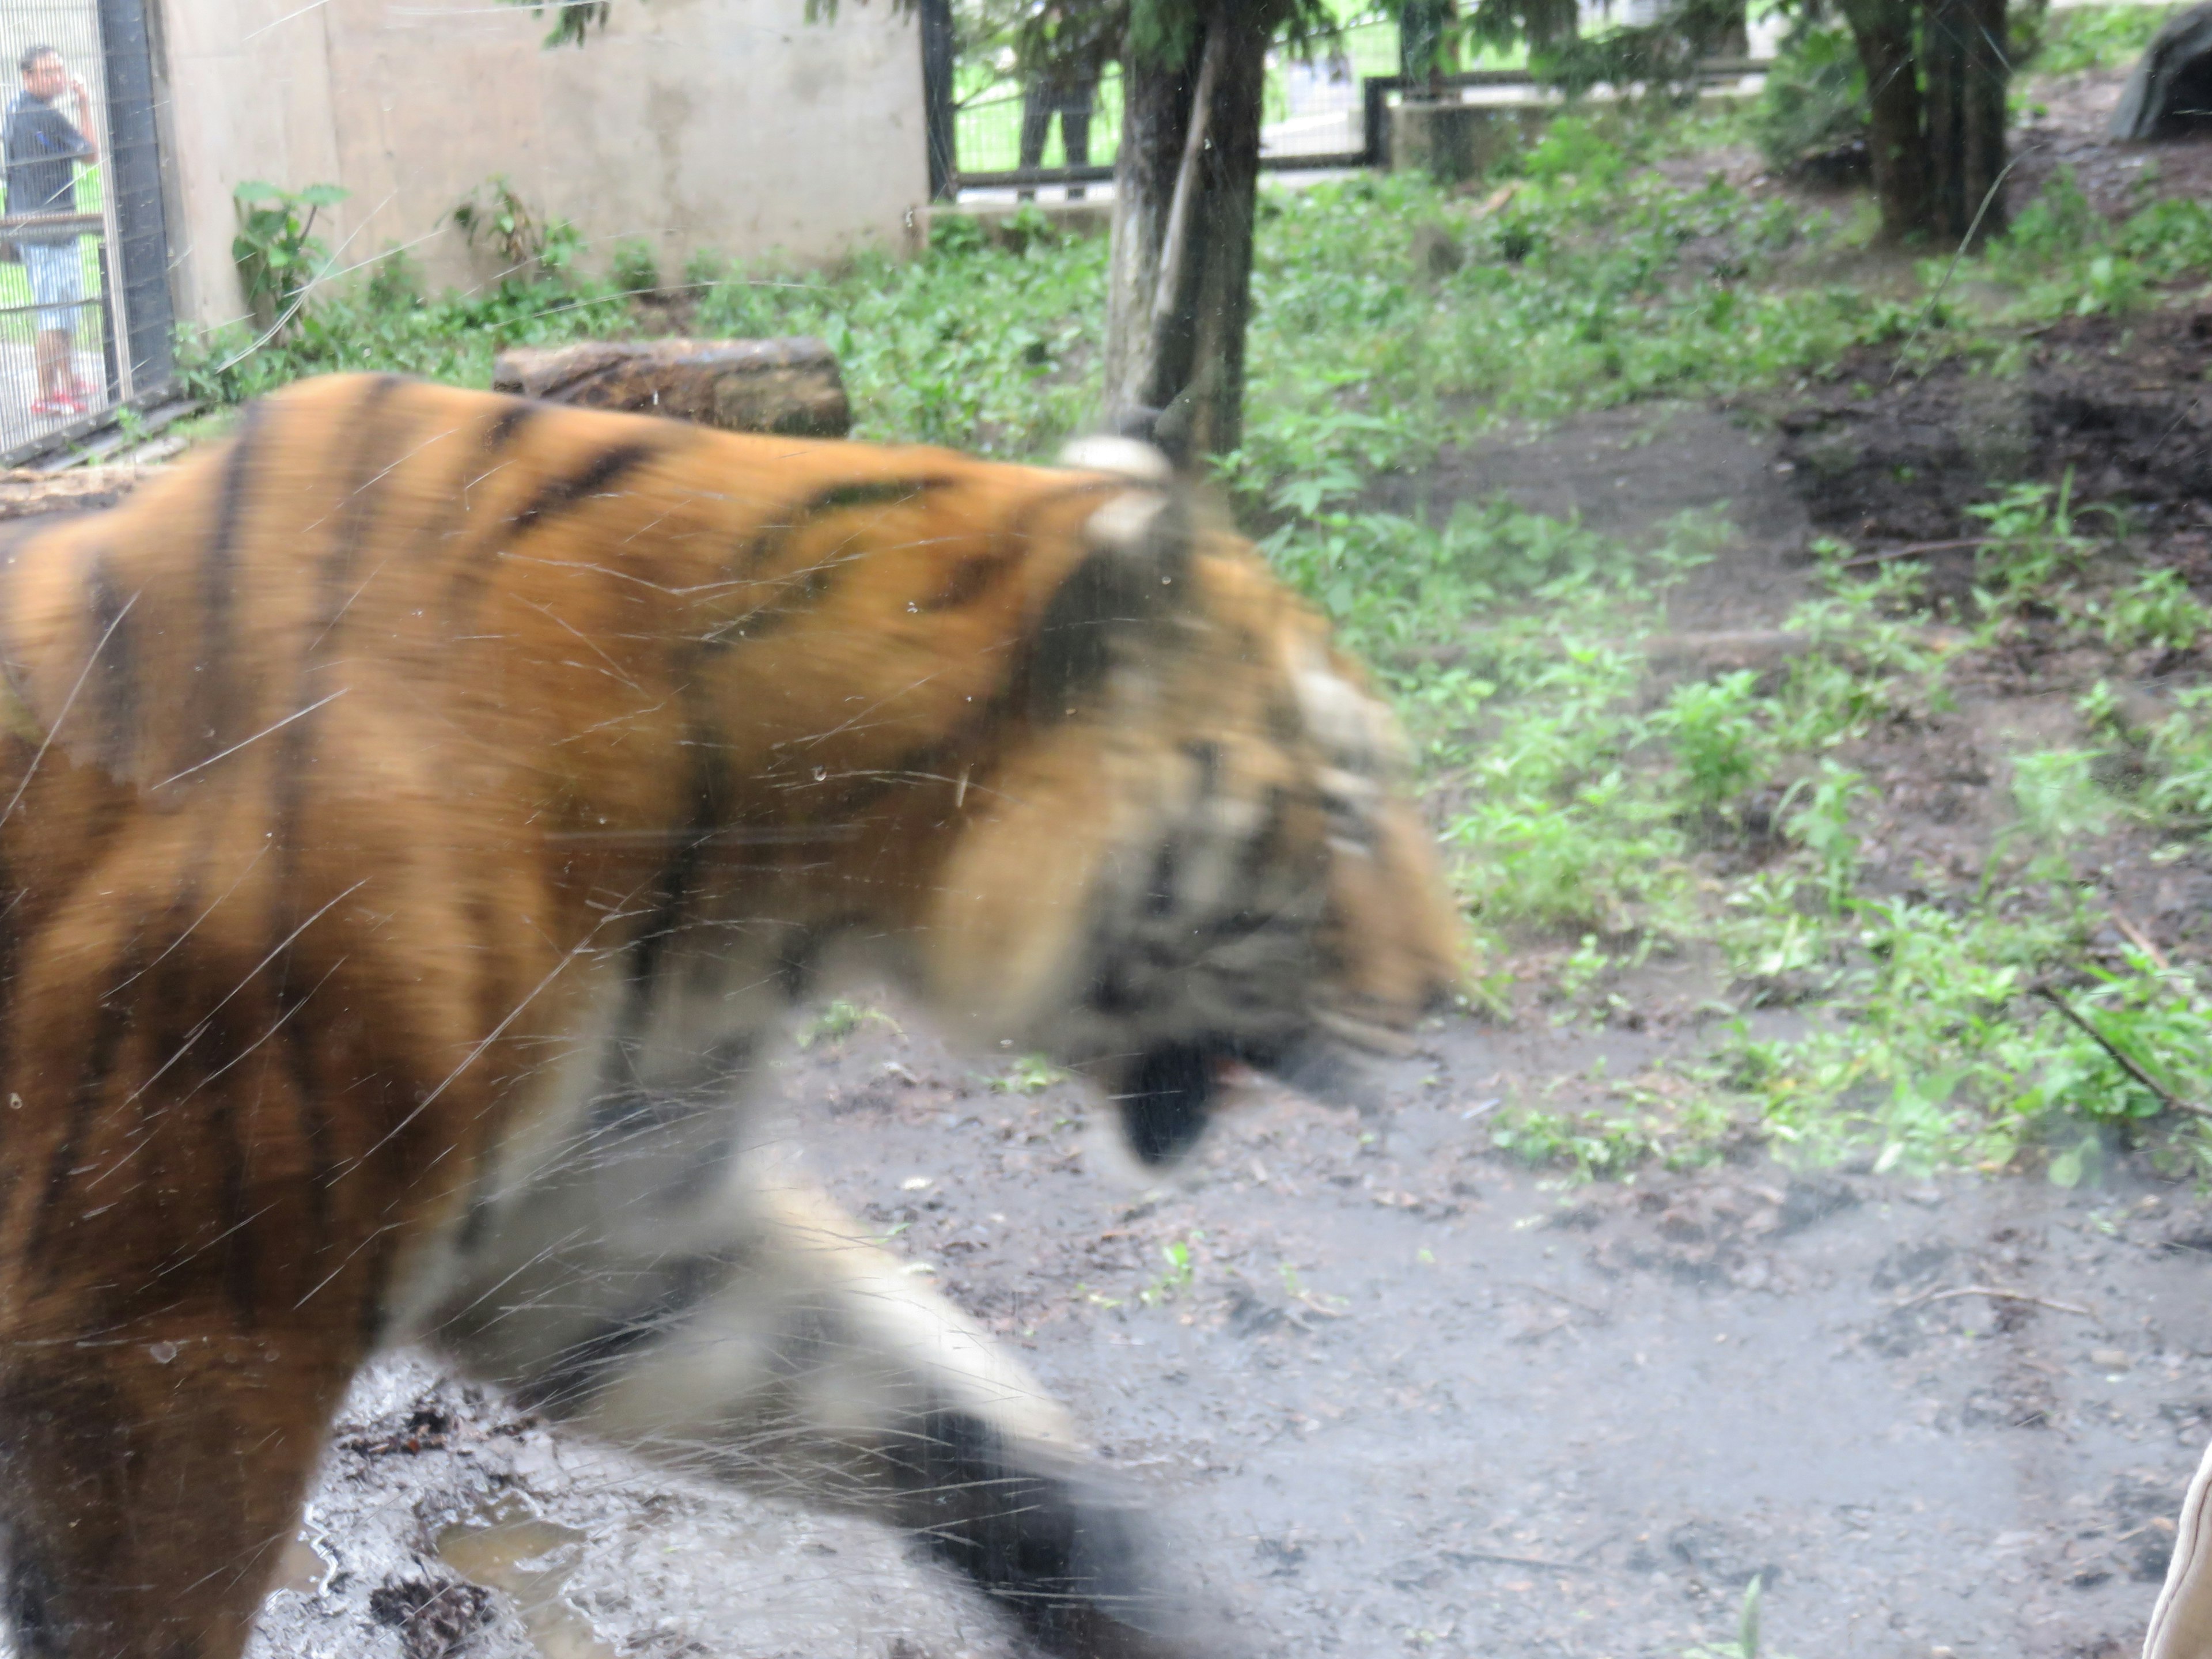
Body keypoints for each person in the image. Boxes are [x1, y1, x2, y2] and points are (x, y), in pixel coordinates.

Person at [3, 45, 96, 419]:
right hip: (47, 230)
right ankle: (45, 394)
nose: (57, 78)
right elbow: (90, 153)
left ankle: (69, 381)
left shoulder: (16, 109)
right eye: (47, 73)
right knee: (53, 317)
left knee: (64, 309)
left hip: (40, 225)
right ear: (28, 77)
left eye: (59, 70)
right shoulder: (43, 115)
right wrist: (84, 103)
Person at [1014, 1, 1123, 203]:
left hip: (1078, 81)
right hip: (1041, 82)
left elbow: (1099, 38)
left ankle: (1076, 201)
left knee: (1076, 145)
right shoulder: (1036, 11)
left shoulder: (1088, 10)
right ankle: (1025, 204)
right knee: (1032, 143)